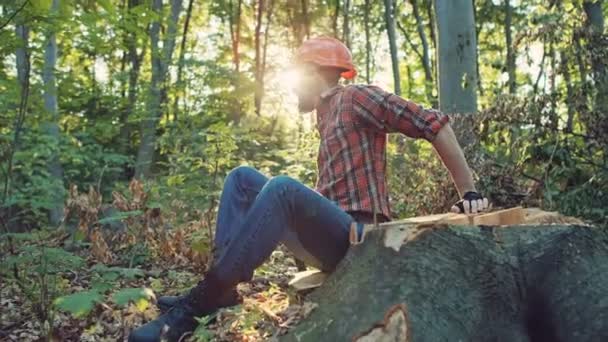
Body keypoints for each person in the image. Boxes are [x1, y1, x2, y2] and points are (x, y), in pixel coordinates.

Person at [128, 36, 489, 342]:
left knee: (283, 188)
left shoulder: (356, 98)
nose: (291, 87)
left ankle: (198, 303)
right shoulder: (326, 115)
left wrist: (469, 193)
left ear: (316, 73)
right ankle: (220, 290)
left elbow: (433, 123)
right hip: (333, 237)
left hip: (363, 240)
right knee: (242, 178)